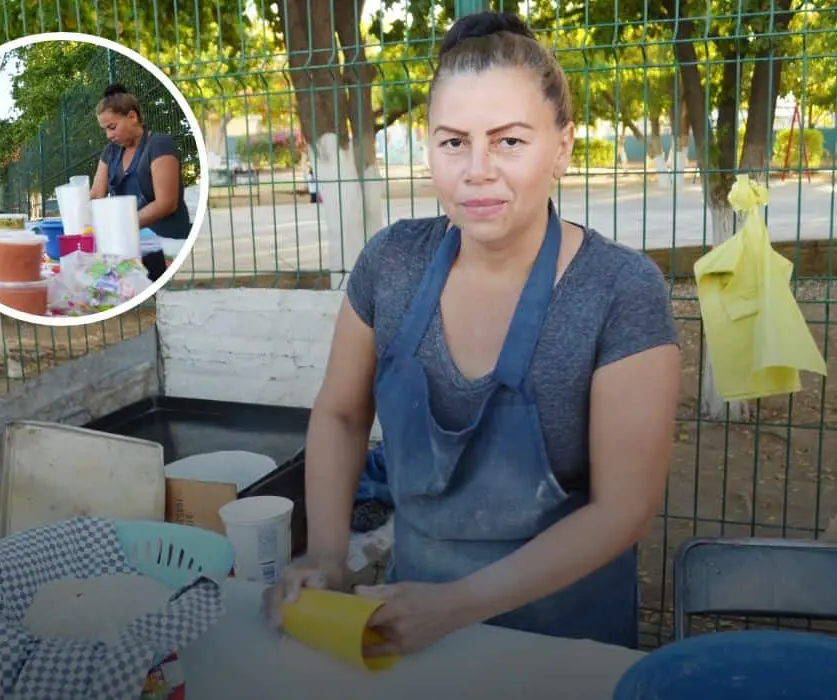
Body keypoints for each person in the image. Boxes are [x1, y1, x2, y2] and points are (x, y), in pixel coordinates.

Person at [263, 11, 681, 657]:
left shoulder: (619, 291)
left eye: (509, 141)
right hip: (408, 622)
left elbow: (623, 510)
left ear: (563, 147)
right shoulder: (392, 265)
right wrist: (326, 554)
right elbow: (342, 415)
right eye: (453, 142)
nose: (476, 170)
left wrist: (457, 607)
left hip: (564, 641)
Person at [91, 83, 192, 281]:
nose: (109, 135)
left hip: (167, 244)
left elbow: (166, 204)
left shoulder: (159, 144)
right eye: (105, 130)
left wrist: (122, 225)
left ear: (132, 117)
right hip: (130, 243)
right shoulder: (110, 153)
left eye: (112, 127)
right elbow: (96, 194)